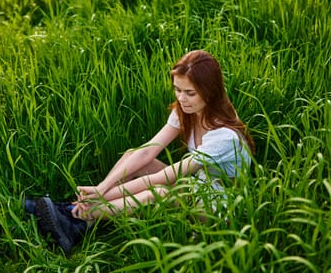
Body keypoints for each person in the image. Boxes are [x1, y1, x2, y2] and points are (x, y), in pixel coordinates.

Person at [29, 50, 255, 254]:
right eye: (177, 89)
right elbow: (147, 152)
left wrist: (101, 194)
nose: (181, 98)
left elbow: (162, 178)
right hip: (196, 186)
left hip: (221, 205)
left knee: (157, 192)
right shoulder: (188, 111)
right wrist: (101, 188)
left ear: (210, 92)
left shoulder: (223, 137)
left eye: (190, 93)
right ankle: (77, 219)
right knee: (132, 155)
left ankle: (77, 213)